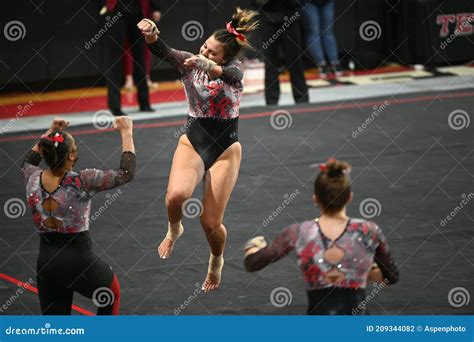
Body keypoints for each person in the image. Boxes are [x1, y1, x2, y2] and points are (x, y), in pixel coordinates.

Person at [137, 7, 259, 292]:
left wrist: (210, 67)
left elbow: (231, 74)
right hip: (193, 140)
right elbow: (164, 52)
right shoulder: (189, 62)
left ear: (224, 57)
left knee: (210, 223)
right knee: (175, 197)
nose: (204, 52)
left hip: (226, 149)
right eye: (204, 46)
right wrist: (152, 36)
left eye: (212, 52)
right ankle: (174, 229)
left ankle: (216, 261)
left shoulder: (233, 72)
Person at [244, 158, 399, 314]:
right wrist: (365, 271)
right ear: (349, 197)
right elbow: (391, 276)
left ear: (315, 198)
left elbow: (253, 264)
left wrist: (252, 247)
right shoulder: (368, 231)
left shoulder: (299, 233)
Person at [21, 116, 136, 314]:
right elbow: (126, 172)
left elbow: (29, 159)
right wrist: (127, 131)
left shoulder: (30, 176)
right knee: (111, 292)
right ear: (72, 155)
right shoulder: (83, 181)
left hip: (46, 263)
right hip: (78, 260)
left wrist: (51, 131)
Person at [102, 0, 160, 116]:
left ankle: (144, 102)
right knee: (114, 60)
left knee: (140, 58)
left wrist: (155, 7)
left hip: (137, 11)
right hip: (116, 10)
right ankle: (115, 106)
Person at [253, 0, 309, 105]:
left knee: (295, 60)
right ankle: (271, 100)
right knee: (270, 61)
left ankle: (302, 98)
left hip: (290, 17)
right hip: (268, 18)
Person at [301, 0, 343, 78]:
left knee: (328, 31)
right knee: (313, 31)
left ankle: (334, 62)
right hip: (309, 2)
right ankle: (321, 64)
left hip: (327, 2)